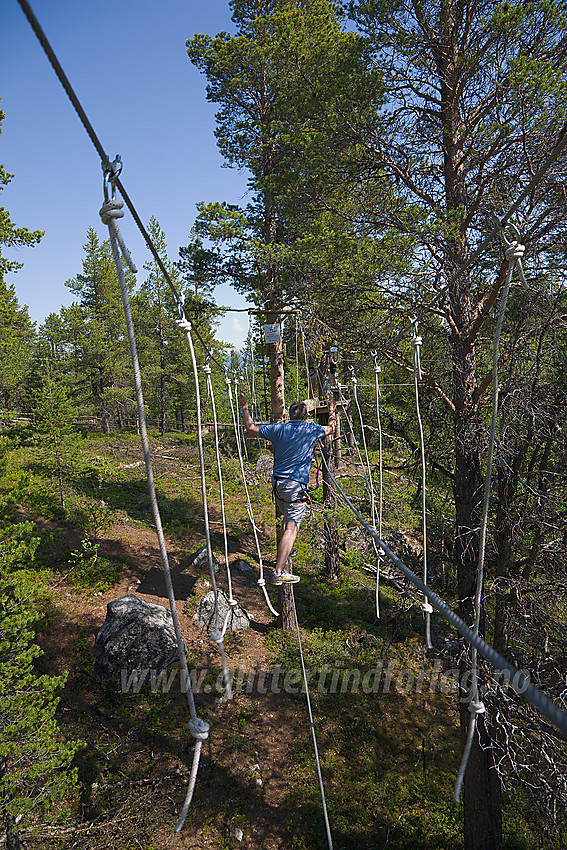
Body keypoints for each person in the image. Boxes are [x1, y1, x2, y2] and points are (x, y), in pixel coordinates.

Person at [239, 393, 336, 584]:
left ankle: (286, 550)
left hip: (278, 485)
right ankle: (278, 571)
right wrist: (332, 410)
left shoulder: (278, 429)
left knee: (286, 520)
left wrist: (245, 406)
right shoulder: (311, 429)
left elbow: (250, 427)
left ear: (290, 416)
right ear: (305, 417)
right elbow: (331, 428)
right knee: (293, 526)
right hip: (295, 486)